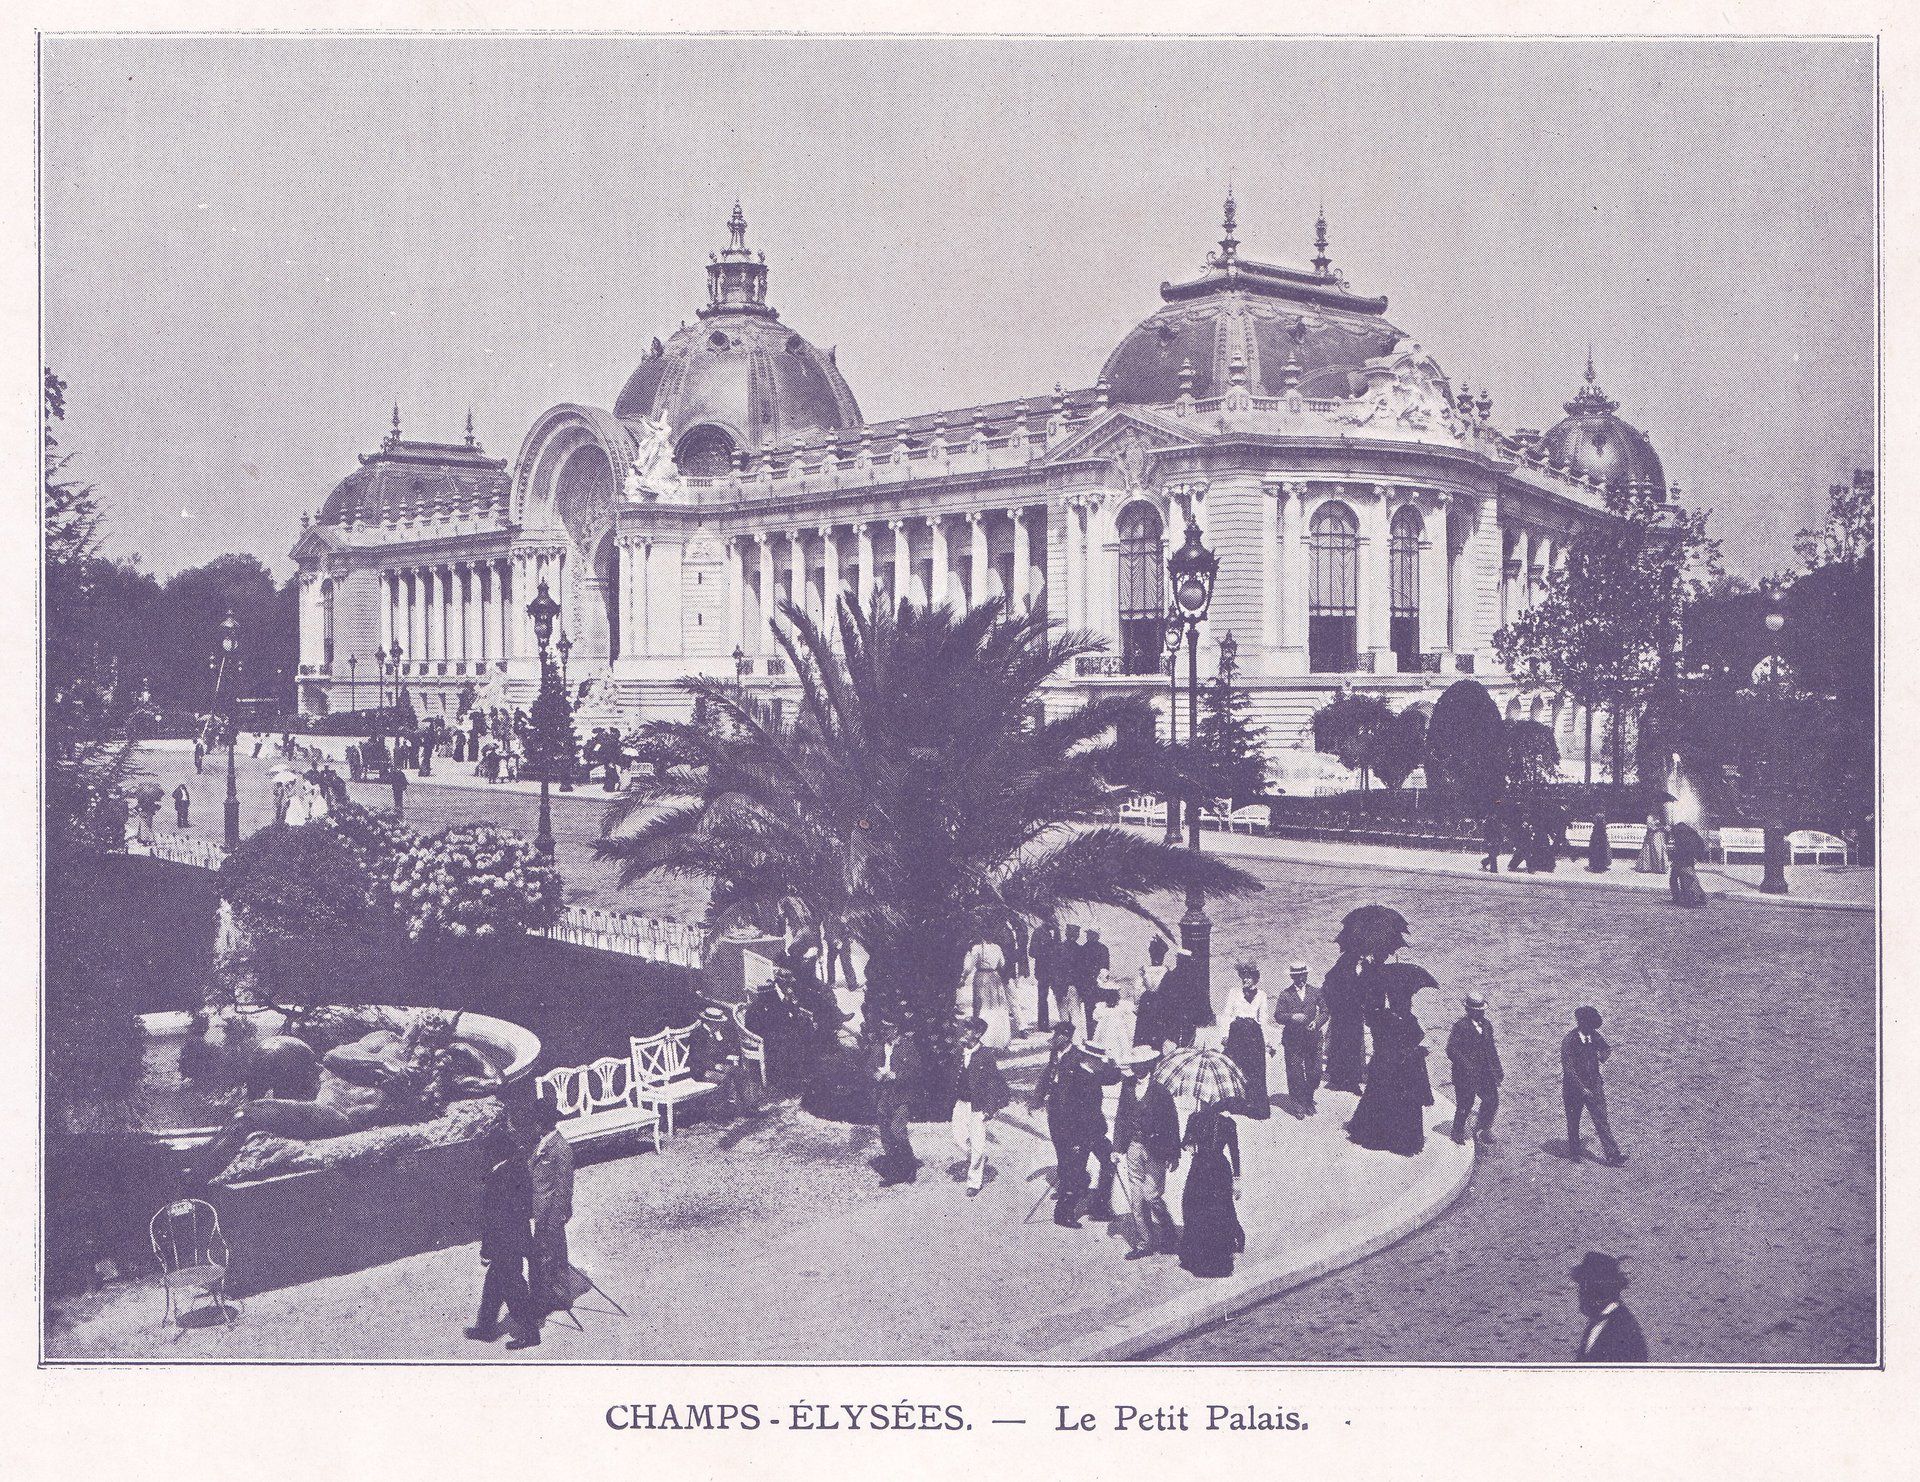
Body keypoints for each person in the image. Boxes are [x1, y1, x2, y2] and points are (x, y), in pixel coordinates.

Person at [1029, 1027, 1114, 1227]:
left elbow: (1113, 1076)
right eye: (1098, 1060)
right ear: (1090, 1059)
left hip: (1093, 1130)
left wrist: (1109, 1064)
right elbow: (1072, 1107)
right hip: (1080, 1131)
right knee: (1075, 1169)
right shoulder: (1081, 1076)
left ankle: (1100, 1206)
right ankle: (1064, 1213)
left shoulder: (1093, 1072)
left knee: (1108, 1162)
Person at [466, 1123, 541, 1349]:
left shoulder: (497, 1180)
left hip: (504, 1244)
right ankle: (486, 1328)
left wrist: (486, 1251)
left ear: (495, 1154)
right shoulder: (518, 1170)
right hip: (517, 1238)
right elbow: (527, 1207)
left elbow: (492, 1221)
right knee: (493, 1286)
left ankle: (530, 1333)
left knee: (514, 1288)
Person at [1346, 983, 1433, 1156]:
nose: (1410, 1004)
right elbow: (1411, 1041)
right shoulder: (1400, 1020)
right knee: (1400, 1104)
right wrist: (1419, 1051)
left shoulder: (1384, 1018)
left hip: (1385, 1067)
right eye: (1407, 1001)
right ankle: (1398, 1142)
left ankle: (1380, 1137)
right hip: (1398, 1069)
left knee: (1380, 1101)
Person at [1110, 1046, 1179, 1258]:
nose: (1136, 1069)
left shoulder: (1161, 1091)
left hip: (1156, 1150)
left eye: (1140, 1065)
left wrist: (1174, 1154)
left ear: (1148, 1065)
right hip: (1133, 1148)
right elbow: (1121, 1117)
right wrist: (1117, 1148)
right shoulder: (1127, 1086)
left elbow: (1172, 1123)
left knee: (1152, 1195)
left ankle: (1168, 1231)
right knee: (1136, 1198)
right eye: (1134, 1065)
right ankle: (1145, 1242)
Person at [526, 1098, 581, 1317]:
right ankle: (556, 1294)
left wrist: (557, 1216)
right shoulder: (541, 1144)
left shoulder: (561, 1149)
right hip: (540, 1210)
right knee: (550, 1252)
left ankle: (553, 1297)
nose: (533, 1126)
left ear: (543, 1122)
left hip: (551, 1212)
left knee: (549, 1254)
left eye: (536, 1122)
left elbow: (564, 1188)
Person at [1178, 1098, 1245, 1279]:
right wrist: (1189, 1145)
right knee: (1196, 1208)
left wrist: (1237, 1179)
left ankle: (1214, 1257)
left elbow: (1234, 1150)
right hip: (1201, 1169)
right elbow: (1185, 1142)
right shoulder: (1195, 1119)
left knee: (1215, 1211)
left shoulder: (1226, 1124)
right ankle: (1203, 1254)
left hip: (1214, 1171)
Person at [949, 1016, 1009, 1197]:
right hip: (961, 1102)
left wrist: (989, 1109)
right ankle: (975, 1156)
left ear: (978, 1034)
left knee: (978, 1145)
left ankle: (974, 1181)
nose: (964, 1031)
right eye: (965, 1028)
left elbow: (993, 1083)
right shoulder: (958, 1051)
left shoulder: (986, 1055)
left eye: (968, 1029)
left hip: (978, 1106)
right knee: (958, 1137)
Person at [1562, 1005, 1627, 1165]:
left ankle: (1613, 1155)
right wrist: (1582, 1088)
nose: (1592, 1028)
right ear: (1581, 1023)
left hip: (1594, 1085)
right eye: (1589, 1025)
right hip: (1574, 1089)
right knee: (1573, 1120)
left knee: (1601, 1120)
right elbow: (1568, 1069)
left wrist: (1601, 1056)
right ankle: (1574, 1152)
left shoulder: (1594, 1036)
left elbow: (1606, 1049)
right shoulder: (1569, 1041)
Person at [865, 1018, 926, 1185]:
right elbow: (869, 1066)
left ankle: (909, 1167)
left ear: (896, 1028)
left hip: (901, 1095)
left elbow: (916, 1071)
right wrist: (874, 1074)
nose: (884, 1031)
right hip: (882, 1095)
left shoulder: (907, 1046)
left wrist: (896, 1075)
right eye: (882, 1028)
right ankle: (894, 1171)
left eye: (887, 1028)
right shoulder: (879, 1046)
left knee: (897, 1131)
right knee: (885, 1133)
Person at [745, 972, 823, 1093]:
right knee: (792, 1041)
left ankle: (805, 1070)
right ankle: (792, 1080)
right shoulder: (759, 1008)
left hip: (772, 1034)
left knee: (800, 1033)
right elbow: (770, 1025)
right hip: (762, 1039)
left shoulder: (770, 1004)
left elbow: (783, 1019)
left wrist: (790, 1007)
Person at [1217, 962, 1274, 1120]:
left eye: (1249, 977)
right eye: (1243, 976)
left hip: (1253, 1036)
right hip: (1236, 1034)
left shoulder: (1262, 995)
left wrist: (1267, 1042)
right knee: (1235, 1068)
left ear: (1255, 979)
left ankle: (1254, 1105)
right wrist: (1224, 1034)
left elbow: (1263, 1019)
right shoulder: (1234, 993)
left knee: (1254, 1070)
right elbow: (1227, 1014)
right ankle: (1235, 1104)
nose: (1245, 980)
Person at [1445, 992, 1504, 1144]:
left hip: (1485, 1072)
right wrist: (1467, 1065)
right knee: (1465, 1104)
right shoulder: (1460, 1027)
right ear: (1469, 1010)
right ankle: (1457, 1131)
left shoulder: (1487, 1025)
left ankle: (1482, 1128)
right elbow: (1451, 1049)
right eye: (1477, 1011)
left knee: (1492, 1100)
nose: (1481, 1013)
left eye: (1482, 1010)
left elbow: (1491, 1049)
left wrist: (1497, 1069)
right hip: (1465, 1075)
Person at [1571, 1251, 1649, 1362]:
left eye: (1585, 1286)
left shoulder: (1624, 1332)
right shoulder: (1598, 1322)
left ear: (1600, 1290)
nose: (1580, 1292)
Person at [1272, 960, 1326, 1115]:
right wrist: (1292, 1017)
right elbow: (1278, 1016)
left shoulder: (1316, 992)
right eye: (1297, 976)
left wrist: (1316, 1022)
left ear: (1307, 974)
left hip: (1313, 1038)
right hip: (1293, 1040)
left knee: (1315, 1072)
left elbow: (1325, 1011)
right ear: (1292, 977)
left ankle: (1308, 1098)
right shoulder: (1285, 994)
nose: (1301, 979)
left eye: (1303, 975)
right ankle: (1298, 1104)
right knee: (1295, 1073)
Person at [689, 1004, 756, 1114]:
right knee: (723, 1078)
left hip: (718, 1066)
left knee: (740, 1072)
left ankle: (748, 1107)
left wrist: (720, 1039)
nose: (720, 1025)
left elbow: (723, 1053)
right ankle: (722, 1111)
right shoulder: (698, 1035)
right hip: (701, 1071)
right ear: (710, 1022)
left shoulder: (715, 1033)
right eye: (718, 1023)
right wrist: (714, 1066)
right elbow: (697, 1058)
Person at [1321, 949, 1370, 1094]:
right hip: (1343, 1014)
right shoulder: (1344, 968)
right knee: (1342, 1045)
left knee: (1351, 1046)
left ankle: (1350, 1081)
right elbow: (1328, 986)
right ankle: (1340, 1080)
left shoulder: (1359, 969)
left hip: (1352, 1015)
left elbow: (1365, 990)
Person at [960, 935, 1016, 1049]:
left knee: (981, 1006)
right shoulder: (997, 948)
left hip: (982, 977)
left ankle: (984, 1039)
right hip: (995, 978)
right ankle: (998, 1039)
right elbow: (1002, 964)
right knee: (996, 1007)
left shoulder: (977, 948)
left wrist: (963, 978)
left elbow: (968, 967)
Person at [1076, 929, 1112, 1040]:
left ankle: (1091, 1037)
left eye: (1089, 934)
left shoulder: (1082, 949)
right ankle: (1098, 1038)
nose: (1088, 936)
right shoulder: (1103, 949)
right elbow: (1106, 969)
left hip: (1087, 986)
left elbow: (1079, 970)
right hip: (1099, 986)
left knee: (1089, 1013)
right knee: (1100, 1013)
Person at [1031, 919, 1065, 1032]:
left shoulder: (1055, 932)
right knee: (1042, 998)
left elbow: (1060, 950)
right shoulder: (1037, 933)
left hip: (1056, 970)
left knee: (1060, 996)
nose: (1053, 924)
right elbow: (1032, 952)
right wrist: (1046, 950)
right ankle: (1043, 1025)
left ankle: (1064, 1023)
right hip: (1043, 970)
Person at [1669, 822, 1709, 907]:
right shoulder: (1691, 835)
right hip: (1685, 859)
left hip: (1684, 860)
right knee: (1683, 879)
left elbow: (1682, 849)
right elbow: (1701, 845)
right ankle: (1687, 898)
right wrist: (1697, 858)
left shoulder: (1681, 835)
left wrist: (1676, 859)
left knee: (1685, 879)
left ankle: (1692, 899)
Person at [1635, 809, 1670, 874]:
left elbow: (1662, 825)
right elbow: (1650, 827)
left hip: (1659, 835)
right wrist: (1660, 827)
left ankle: (1660, 868)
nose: (1657, 809)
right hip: (1653, 836)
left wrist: (1664, 827)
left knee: (1660, 850)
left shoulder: (1660, 816)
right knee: (1654, 850)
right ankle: (1650, 867)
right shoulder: (1650, 817)